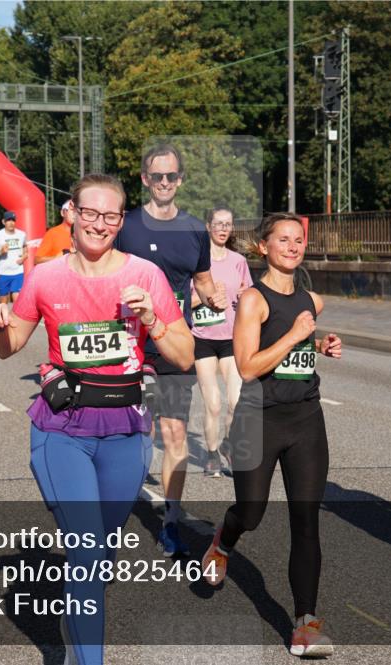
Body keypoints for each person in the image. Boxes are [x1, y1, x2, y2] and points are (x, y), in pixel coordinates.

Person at [0, 174, 194, 665]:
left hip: (125, 428)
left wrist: (155, 322)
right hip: (61, 429)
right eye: (91, 213)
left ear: (122, 221)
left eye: (111, 215)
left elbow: (183, 355)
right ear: (71, 214)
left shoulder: (145, 276)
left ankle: (79, 641)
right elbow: (10, 345)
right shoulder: (46, 276)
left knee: (97, 557)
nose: (100, 224)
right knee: (84, 551)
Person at [201, 213, 342, 658]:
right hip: (258, 418)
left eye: (298, 239)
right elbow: (247, 366)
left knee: (307, 520)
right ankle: (224, 538)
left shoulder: (311, 301)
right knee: (253, 512)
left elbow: (294, 340)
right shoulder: (253, 301)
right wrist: (298, 334)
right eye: (283, 240)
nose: (293, 246)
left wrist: (319, 344)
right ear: (263, 247)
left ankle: (305, 622)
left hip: (305, 418)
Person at [113, 143, 229, 556]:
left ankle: (172, 519)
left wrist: (216, 296)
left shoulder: (195, 229)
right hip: (127, 344)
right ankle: (112, 517)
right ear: (145, 179)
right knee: (129, 433)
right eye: (156, 176)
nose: (164, 183)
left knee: (174, 432)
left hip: (175, 342)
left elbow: (201, 279)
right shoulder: (125, 226)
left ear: (180, 180)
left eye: (171, 176)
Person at [190, 206, 251, 477]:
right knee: (213, 403)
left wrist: (246, 294)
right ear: (208, 226)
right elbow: (182, 302)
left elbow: (249, 296)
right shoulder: (196, 261)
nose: (224, 229)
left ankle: (228, 444)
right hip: (202, 339)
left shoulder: (239, 261)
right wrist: (208, 298)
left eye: (228, 224)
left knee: (236, 402)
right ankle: (212, 454)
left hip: (230, 337)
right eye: (218, 224)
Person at [0, 210, 27, 303]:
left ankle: (15, 318)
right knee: (3, 300)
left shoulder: (22, 234)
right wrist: (0, 252)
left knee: (17, 298)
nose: (11, 223)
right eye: (8, 220)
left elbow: (25, 247)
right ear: (3, 222)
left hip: (18, 272)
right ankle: (2, 317)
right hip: (3, 273)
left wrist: (24, 257)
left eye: (13, 220)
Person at [34, 199, 75, 263]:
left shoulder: (84, 233)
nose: (75, 214)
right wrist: (58, 258)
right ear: (62, 213)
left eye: (77, 211)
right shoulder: (53, 233)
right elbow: (37, 260)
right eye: (72, 210)